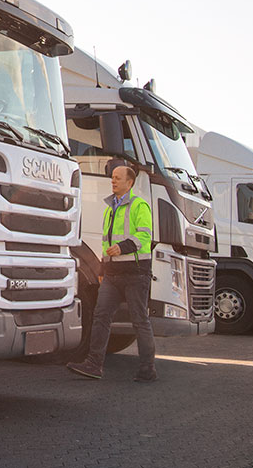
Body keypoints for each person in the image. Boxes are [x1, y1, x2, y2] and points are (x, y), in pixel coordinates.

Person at [67, 159, 156, 382]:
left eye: (117, 178)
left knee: (139, 320)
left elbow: (145, 236)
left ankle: (148, 370)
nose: (112, 181)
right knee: (100, 316)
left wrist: (124, 247)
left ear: (130, 182)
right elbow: (107, 243)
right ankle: (93, 365)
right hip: (112, 275)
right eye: (112, 178)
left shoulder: (139, 205)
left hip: (136, 274)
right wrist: (102, 268)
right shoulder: (110, 209)